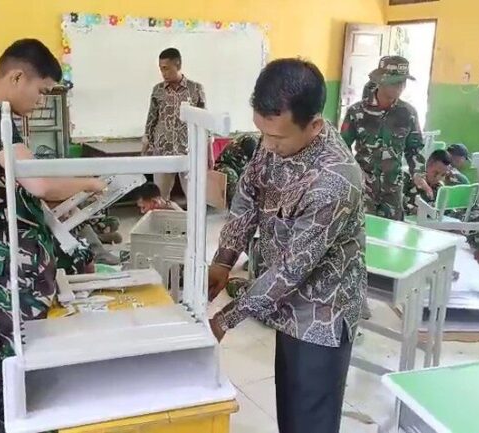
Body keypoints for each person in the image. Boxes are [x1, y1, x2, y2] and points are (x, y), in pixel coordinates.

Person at [208, 58, 366, 433]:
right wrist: (224, 260)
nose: (266, 145)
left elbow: (292, 268)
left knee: (311, 418)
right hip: (285, 302)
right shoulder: (277, 137)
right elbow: (248, 195)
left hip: (322, 312)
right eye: (261, 133)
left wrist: (226, 318)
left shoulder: (335, 179)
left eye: (276, 138)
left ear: (314, 125)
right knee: (290, 409)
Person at [0, 39, 105, 433]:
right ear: (17, 77)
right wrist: (89, 182)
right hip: (11, 256)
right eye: (40, 91)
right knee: (19, 352)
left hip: (20, 249)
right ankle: (12, 424)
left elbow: (25, 186)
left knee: (21, 347)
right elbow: (38, 183)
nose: (40, 101)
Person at [341, 56, 429, 221]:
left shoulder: (408, 113)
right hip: (363, 188)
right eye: (395, 82)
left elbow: (414, 149)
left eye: (403, 82)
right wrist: (354, 174)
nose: (400, 86)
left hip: (393, 190)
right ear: (380, 81)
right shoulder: (357, 112)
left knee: (391, 233)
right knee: (363, 231)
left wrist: (418, 174)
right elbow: (342, 148)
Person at [143, 48, 206, 200]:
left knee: (194, 196)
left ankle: (191, 217)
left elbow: (204, 121)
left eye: (166, 68)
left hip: (188, 150)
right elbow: (151, 119)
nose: (163, 73)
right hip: (162, 151)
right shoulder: (158, 90)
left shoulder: (195, 89)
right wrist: (147, 143)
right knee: (159, 197)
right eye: (160, 69)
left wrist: (208, 151)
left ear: (177, 65)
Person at [403, 149, 453, 216]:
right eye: (435, 173)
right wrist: (412, 209)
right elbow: (397, 200)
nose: (438, 178)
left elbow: (446, 211)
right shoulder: (408, 179)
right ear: (428, 165)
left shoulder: (440, 188)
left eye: (443, 175)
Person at [213, 133, 260, 203]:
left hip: (242, 169)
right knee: (232, 176)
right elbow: (239, 167)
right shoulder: (235, 148)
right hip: (225, 165)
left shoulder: (261, 146)